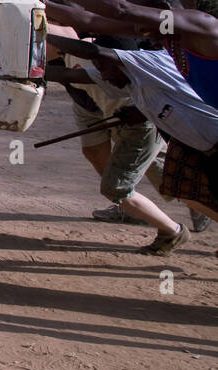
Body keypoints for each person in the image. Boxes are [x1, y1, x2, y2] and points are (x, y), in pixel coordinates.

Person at [47, 33, 218, 254]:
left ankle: (173, 231)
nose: (103, 76)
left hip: (211, 142)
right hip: (198, 145)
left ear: (119, 59)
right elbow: (70, 74)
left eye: (104, 68)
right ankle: (171, 227)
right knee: (181, 188)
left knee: (122, 187)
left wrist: (41, 26)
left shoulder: (148, 65)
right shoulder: (117, 73)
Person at [10, 0, 218, 109]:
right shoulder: (165, 32)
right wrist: (32, 1)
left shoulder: (202, 25)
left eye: (141, 16)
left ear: (161, 11)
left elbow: (121, 10)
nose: (137, 30)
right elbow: (90, 21)